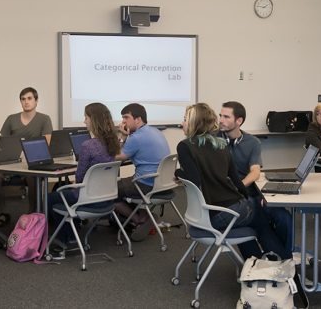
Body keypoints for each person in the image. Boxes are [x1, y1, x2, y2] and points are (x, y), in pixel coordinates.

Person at [176, 103, 291, 260]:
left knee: (254, 220)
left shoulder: (184, 146)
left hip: (204, 214)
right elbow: (237, 183)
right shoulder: (222, 144)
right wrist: (246, 200)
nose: (181, 123)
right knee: (263, 221)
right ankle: (284, 265)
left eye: (185, 120)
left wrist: (177, 173)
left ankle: (255, 263)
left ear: (195, 123)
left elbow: (194, 181)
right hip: (226, 212)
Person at [218, 101, 292, 253]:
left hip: (250, 193)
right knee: (259, 221)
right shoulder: (213, 140)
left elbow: (255, 172)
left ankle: (282, 254)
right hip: (230, 198)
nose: (220, 120)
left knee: (284, 217)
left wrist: (238, 186)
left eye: (226, 117)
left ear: (239, 121)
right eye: (220, 116)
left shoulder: (252, 142)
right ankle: (275, 259)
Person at [47, 102, 120, 247]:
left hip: (87, 198)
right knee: (63, 195)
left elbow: (79, 178)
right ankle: (71, 234)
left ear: (94, 120)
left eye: (86, 117)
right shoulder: (113, 143)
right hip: (107, 198)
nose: (84, 121)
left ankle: (63, 238)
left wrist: (75, 181)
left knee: (50, 198)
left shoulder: (88, 145)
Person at [114, 103, 170, 241]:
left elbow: (117, 156)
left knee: (109, 190)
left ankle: (139, 219)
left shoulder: (136, 137)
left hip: (145, 183)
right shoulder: (155, 131)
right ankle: (146, 215)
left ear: (138, 119)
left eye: (126, 117)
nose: (123, 121)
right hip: (163, 183)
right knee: (123, 184)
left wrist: (121, 135)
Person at [0, 87, 53, 224]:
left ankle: (33, 212)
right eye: (23, 99)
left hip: (32, 162)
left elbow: (46, 143)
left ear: (36, 101)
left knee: (32, 176)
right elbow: (2, 142)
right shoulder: (11, 119)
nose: (26, 102)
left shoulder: (44, 119)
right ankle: (0, 211)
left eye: (29, 98)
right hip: (11, 161)